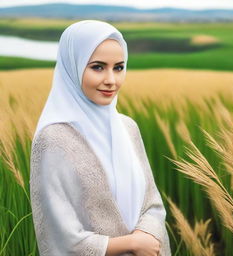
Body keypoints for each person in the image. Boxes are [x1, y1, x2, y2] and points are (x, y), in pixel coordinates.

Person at [29, 20, 171, 256]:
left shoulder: (128, 128)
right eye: (97, 67)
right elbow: (60, 235)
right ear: (72, 67)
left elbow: (152, 203)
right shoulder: (53, 139)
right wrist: (131, 244)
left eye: (118, 67)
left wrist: (146, 235)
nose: (111, 80)